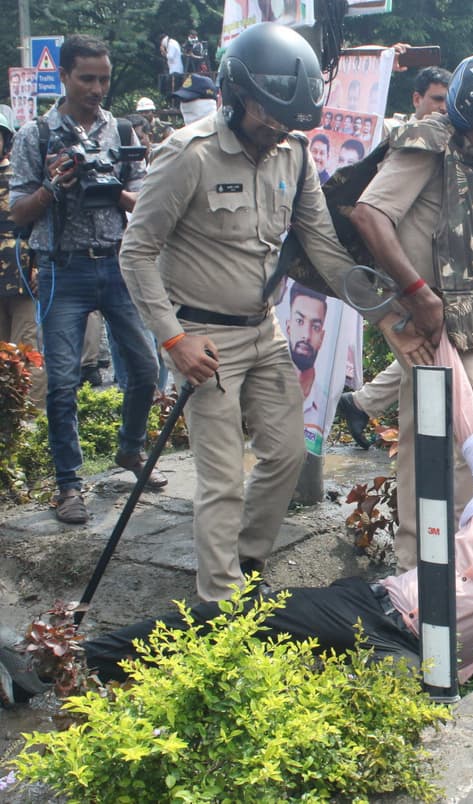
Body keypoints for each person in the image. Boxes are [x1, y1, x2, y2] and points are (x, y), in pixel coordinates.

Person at [0, 331, 473, 699]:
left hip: (420, 654)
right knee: (227, 621)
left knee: (373, 708)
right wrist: (426, 333)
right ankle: (56, 664)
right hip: (372, 603)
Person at [119, 23, 372, 602]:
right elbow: (136, 252)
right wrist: (173, 340)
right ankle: (221, 604)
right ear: (238, 97)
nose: (277, 129)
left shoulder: (294, 154)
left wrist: (380, 305)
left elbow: (323, 247)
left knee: (287, 454)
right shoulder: (189, 155)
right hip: (201, 338)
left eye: (289, 121)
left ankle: (247, 560)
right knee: (221, 478)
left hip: (264, 330)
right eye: (268, 116)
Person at [347, 54, 473, 559]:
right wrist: (417, 291)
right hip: (430, 326)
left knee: (429, 446)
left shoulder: (472, 158)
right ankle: (455, 562)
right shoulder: (428, 143)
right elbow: (370, 215)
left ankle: (424, 563)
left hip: (456, 330)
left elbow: (466, 246)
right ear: (468, 107)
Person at [8, 34, 164, 525]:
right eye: (87, 78)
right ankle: (68, 484)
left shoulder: (121, 132)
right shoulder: (37, 135)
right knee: (61, 383)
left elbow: (144, 203)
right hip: (62, 266)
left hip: (117, 264)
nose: (97, 88)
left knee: (144, 368)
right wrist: (54, 186)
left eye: (104, 79)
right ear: (66, 77)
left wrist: (112, 188)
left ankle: (130, 450)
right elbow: (17, 212)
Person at [338, 66, 453, 449]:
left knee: (420, 396)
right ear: (416, 99)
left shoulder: (444, 146)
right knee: (448, 407)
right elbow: (368, 218)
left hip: (427, 299)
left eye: (448, 100)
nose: (442, 108)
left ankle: (359, 403)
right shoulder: (408, 143)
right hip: (403, 296)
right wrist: (409, 298)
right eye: (436, 98)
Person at [0, 104, 44, 405]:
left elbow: (41, 222)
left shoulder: (20, 176)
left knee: (27, 350)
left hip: (22, 275)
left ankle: (31, 423)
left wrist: (41, 266)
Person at [285, 282, 329, 452]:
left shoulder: (325, 399)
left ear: (323, 336)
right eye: (299, 321)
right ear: (288, 327)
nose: (306, 335)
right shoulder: (263, 391)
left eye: (315, 326)